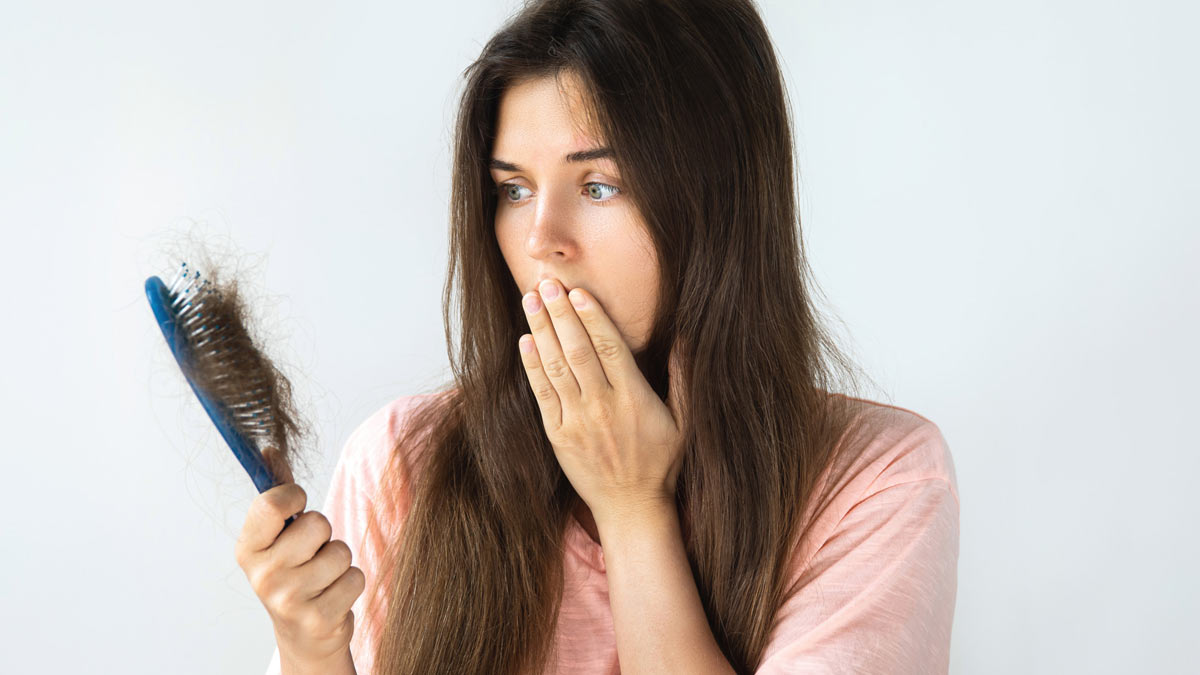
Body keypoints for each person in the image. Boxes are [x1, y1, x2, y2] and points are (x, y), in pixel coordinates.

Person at [236, 1, 960, 673]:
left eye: (599, 186)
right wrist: (311, 650)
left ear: (718, 206)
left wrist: (632, 510)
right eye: (513, 190)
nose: (541, 239)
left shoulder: (880, 481)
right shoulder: (401, 463)